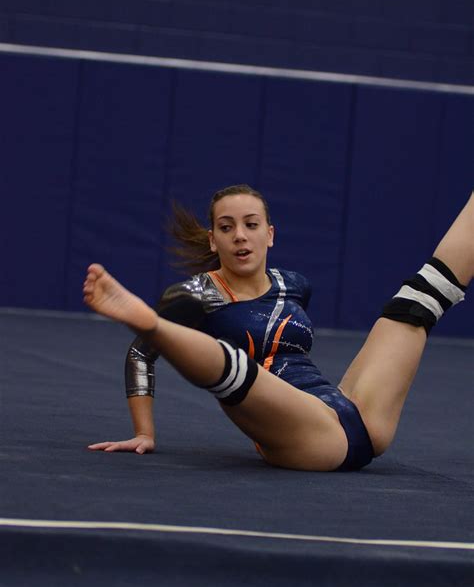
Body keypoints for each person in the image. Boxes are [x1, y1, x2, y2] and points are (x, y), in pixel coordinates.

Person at [84, 185, 472, 471]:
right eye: (226, 227)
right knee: (232, 363)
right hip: (306, 440)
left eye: (251, 225)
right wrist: (144, 432)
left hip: (355, 412)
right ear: (213, 239)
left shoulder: (294, 284)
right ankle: (152, 322)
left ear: (269, 233)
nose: (240, 235)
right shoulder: (196, 293)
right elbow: (139, 353)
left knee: (420, 298)